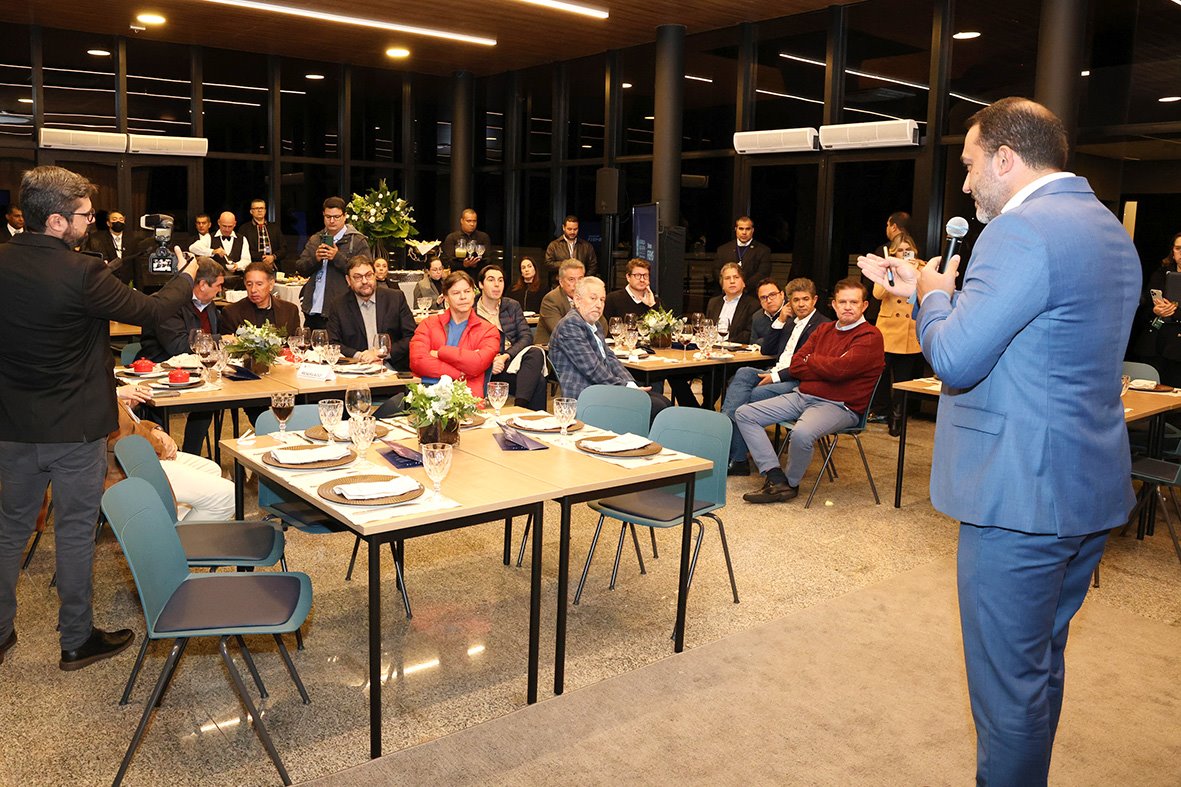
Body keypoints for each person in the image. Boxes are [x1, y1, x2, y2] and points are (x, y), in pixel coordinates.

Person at [858, 97, 1140, 785]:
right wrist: (925, 293)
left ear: (1005, 158)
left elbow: (955, 359)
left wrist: (930, 295)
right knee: (1037, 667)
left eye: (969, 164)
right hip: (1081, 489)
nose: (963, 183)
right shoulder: (1104, 227)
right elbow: (1033, 341)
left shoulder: (1019, 232)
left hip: (1017, 497)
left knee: (1006, 688)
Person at [0, 164, 199, 672]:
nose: (91, 222)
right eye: (85, 215)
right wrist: (187, 275)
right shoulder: (81, 272)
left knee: (9, 530)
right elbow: (151, 311)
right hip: (76, 429)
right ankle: (76, 639)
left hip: (13, 424)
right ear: (57, 221)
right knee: (73, 532)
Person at [736, 278, 883, 503]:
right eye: (842, 302)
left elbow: (840, 370)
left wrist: (812, 360)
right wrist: (825, 364)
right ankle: (775, 477)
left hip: (839, 406)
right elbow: (796, 365)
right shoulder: (824, 329)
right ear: (833, 305)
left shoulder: (870, 336)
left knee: (801, 433)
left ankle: (790, 484)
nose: (847, 307)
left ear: (864, 306)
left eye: (854, 302)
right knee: (745, 413)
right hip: (803, 395)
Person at [722, 277, 831, 476]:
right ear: (789, 302)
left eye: (805, 299)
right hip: (775, 372)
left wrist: (777, 376)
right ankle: (728, 423)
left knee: (748, 398)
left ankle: (737, 457)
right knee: (743, 373)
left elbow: (808, 366)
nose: (800, 304)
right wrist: (780, 321)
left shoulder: (823, 326)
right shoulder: (789, 322)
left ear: (814, 300)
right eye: (796, 300)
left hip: (797, 382)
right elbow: (767, 349)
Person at [549, 276, 670, 422]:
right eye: (593, 298)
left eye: (602, 300)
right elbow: (592, 369)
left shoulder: (595, 325)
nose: (599, 305)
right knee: (656, 406)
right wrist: (625, 387)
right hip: (586, 394)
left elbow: (611, 359)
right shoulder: (571, 325)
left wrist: (630, 383)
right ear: (577, 300)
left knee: (663, 401)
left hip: (603, 388)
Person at [139, 257, 226, 456]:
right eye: (218, 285)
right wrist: (221, 339)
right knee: (158, 411)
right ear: (202, 285)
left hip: (197, 372)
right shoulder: (167, 304)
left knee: (209, 401)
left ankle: (190, 455)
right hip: (160, 373)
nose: (220, 291)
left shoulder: (209, 305)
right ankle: (163, 455)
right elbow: (177, 346)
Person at [107, 384, 233, 521]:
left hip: (138, 455)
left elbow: (132, 424)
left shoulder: (105, 390)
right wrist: (161, 447)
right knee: (229, 495)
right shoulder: (101, 395)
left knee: (212, 469)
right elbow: (126, 436)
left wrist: (155, 429)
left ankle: (174, 523)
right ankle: (175, 533)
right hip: (127, 469)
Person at [410, 270, 500, 398]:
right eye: (456, 293)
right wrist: (460, 374)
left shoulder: (488, 330)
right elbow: (417, 361)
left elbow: (477, 363)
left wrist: (440, 353)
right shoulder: (428, 324)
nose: (463, 297)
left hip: (466, 398)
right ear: (446, 298)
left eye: (467, 291)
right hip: (426, 395)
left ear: (473, 294)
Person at [873, 233, 926, 437]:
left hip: (908, 329)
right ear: (893, 253)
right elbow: (878, 294)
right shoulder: (888, 268)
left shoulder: (922, 268)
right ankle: (882, 411)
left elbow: (926, 294)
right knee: (881, 373)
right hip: (888, 329)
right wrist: (890, 271)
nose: (904, 254)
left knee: (904, 378)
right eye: (900, 251)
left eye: (908, 250)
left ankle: (897, 417)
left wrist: (913, 272)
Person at [476, 265, 548, 411]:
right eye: (491, 280)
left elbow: (526, 336)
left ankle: (519, 407)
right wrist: (491, 361)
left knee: (535, 352)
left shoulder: (512, 306)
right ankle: (527, 415)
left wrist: (506, 356)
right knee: (538, 381)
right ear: (481, 284)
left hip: (510, 360)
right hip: (488, 367)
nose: (497, 285)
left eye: (500, 280)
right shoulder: (471, 310)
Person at [327, 256, 417, 370]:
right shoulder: (339, 305)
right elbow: (332, 343)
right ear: (348, 280)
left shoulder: (395, 298)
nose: (365, 281)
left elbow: (412, 336)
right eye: (358, 277)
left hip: (393, 368)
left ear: (375, 276)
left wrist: (381, 353)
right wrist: (359, 355)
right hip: (356, 369)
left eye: (369, 275)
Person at [296, 196, 371, 330]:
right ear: (323, 215)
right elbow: (301, 268)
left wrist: (336, 257)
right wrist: (316, 259)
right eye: (328, 217)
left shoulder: (357, 241)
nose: (332, 221)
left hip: (344, 311)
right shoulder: (316, 239)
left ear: (345, 216)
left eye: (336, 217)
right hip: (313, 310)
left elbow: (365, 274)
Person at [221, 260, 302, 337]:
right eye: (249, 284)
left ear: (271, 285)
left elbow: (295, 342)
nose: (253, 290)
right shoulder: (232, 313)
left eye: (259, 284)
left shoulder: (290, 310)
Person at [1144, 232, 1181, 386]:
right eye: (1178, 248)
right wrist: (1155, 310)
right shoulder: (1160, 274)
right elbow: (1144, 305)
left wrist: (1175, 310)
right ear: (1172, 251)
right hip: (1158, 344)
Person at [536, 258, 597, 345]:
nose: (577, 284)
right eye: (571, 279)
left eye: (580, 279)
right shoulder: (551, 300)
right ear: (561, 282)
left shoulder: (587, 298)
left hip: (583, 346)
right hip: (552, 349)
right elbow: (563, 333)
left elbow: (602, 327)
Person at [705, 263, 759, 345]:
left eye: (736, 277)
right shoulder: (713, 303)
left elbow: (748, 333)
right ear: (722, 285)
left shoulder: (753, 304)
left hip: (736, 349)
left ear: (743, 283)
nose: (732, 281)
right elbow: (707, 327)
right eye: (727, 278)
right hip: (712, 346)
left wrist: (726, 344)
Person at [714, 216, 771, 294]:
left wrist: (743, 287)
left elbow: (762, 273)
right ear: (736, 229)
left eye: (747, 229)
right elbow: (716, 271)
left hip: (752, 294)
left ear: (752, 230)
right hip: (727, 294)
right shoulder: (723, 250)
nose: (744, 232)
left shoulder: (763, 250)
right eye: (741, 229)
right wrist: (728, 285)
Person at [83, 209, 139, 286]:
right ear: (108, 223)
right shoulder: (97, 239)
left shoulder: (131, 240)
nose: (118, 222)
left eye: (121, 219)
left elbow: (137, 266)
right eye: (114, 219)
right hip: (107, 283)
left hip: (126, 284)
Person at [238, 198, 285, 271]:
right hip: (252, 267)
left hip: (274, 267)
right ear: (251, 211)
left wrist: (273, 257)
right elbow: (242, 250)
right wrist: (263, 258)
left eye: (262, 208)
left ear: (265, 211)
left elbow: (283, 248)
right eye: (256, 208)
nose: (260, 210)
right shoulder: (244, 229)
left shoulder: (275, 228)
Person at [207, 211, 251, 276]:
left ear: (235, 224)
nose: (227, 229)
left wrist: (237, 265)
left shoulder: (242, 239)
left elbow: (247, 260)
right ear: (219, 222)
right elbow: (193, 248)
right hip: (215, 278)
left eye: (230, 226)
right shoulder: (209, 237)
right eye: (224, 226)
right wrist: (213, 251)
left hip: (237, 278)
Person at [749, 279, 785, 344]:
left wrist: (762, 341)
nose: (769, 301)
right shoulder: (757, 317)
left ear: (782, 294)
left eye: (772, 295)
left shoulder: (792, 313)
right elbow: (753, 344)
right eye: (763, 297)